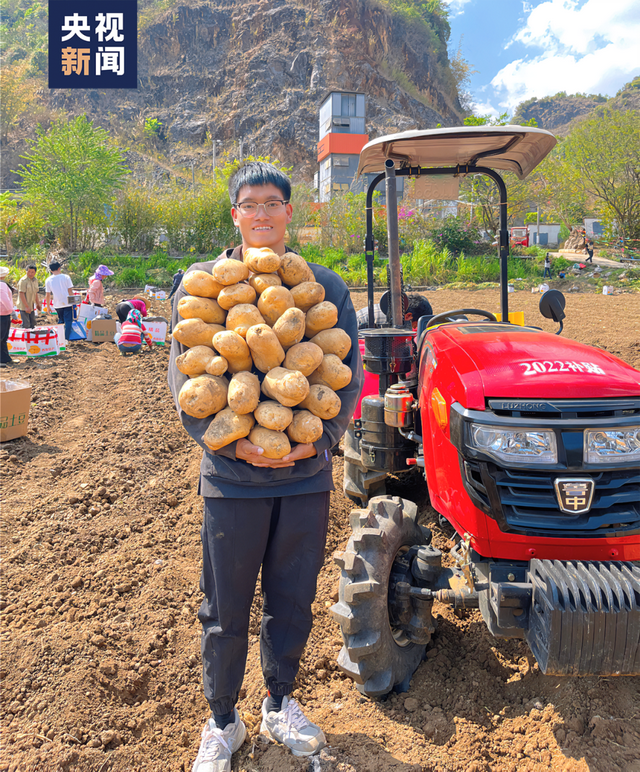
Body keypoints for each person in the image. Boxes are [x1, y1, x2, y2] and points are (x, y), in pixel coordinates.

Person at [167, 162, 363, 772]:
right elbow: (184, 382)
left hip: (305, 475)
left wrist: (322, 435)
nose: (261, 213)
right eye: (250, 203)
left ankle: (280, 703)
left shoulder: (325, 285)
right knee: (224, 606)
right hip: (231, 481)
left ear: (288, 213)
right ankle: (222, 721)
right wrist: (225, 443)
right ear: (236, 215)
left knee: (292, 598)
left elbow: (348, 375)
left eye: (272, 203)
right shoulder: (201, 284)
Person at [356, 293, 433, 330]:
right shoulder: (389, 320)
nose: (414, 328)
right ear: (408, 316)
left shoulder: (392, 310)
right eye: (415, 325)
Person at [44, 261, 74, 343]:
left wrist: (48, 306)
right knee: (68, 321)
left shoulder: (48, 280)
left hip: (57, 304)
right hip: (67, 302)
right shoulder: (66, 277)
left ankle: (60, 338)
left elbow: (48, 295)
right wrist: (74, 302)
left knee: (61, 320)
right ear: (59, 268)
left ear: (50, 270)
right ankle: (66, 339)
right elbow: (70, 291)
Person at [17, 264, 41, 329]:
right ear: (26, 271)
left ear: (35, 272)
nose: (30, 273)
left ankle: (31, 338)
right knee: (26, 324)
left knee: (33, 323)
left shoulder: (35, 280)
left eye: (32, 272)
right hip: (24, 306)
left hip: (31, 306)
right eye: (29, 271)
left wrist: (38, 304)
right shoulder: (23, 281)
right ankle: (22, 338)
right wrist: (26, 306)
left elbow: (35, 293)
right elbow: (21, 294)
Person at [0, 266, 15, 367]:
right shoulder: (1, 285)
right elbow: (4, 299)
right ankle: (2, 359)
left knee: (3, 337)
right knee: (2, 337)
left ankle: (5, 358)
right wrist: (12, 311)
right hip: (3, 314)